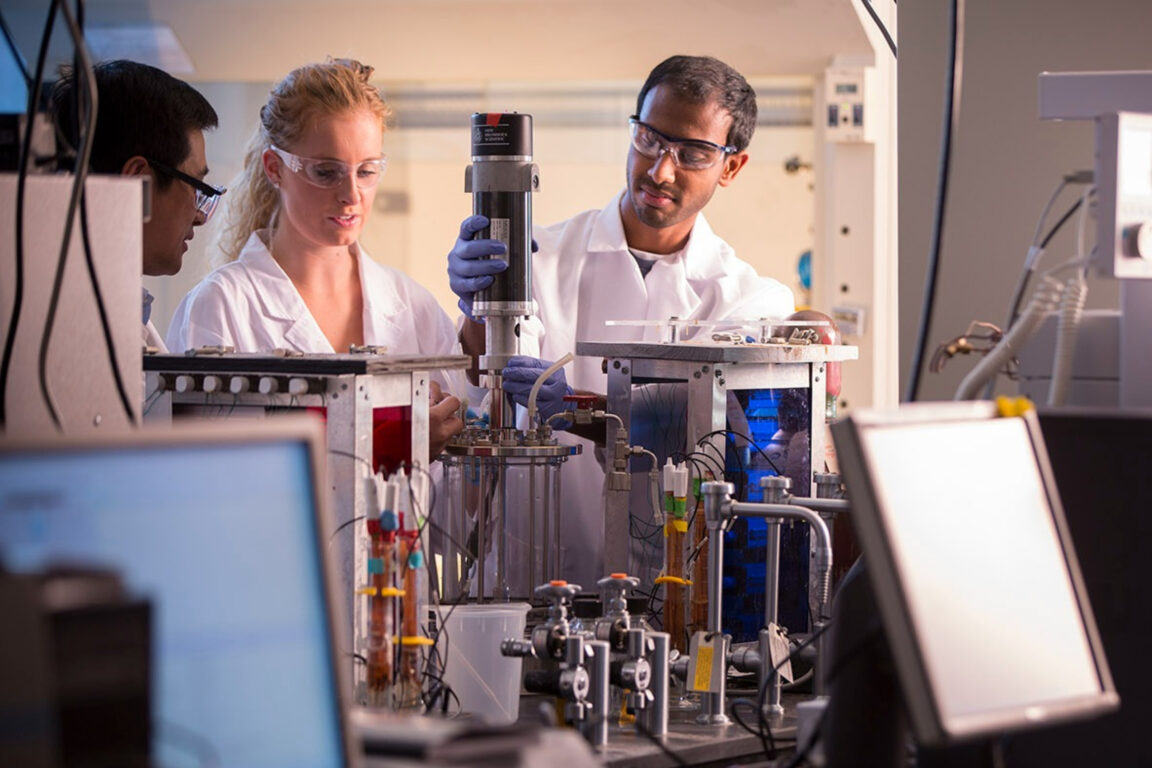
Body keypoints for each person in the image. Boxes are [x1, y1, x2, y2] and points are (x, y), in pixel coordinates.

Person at [447, 55, 795, 587]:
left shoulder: (748, 301)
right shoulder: (539, 257)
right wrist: (479, 307)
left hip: (666, 599)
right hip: (525, 579)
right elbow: (485, 381)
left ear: (731, 167)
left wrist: (583, 413)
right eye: (649, 139)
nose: (660, 169)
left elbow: (709, 449)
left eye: (693, 153)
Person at [167, 58, 463, 455]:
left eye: (367, 171)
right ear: (275, 168)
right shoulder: (221, 307)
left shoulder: (416, 309)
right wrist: (387, 445)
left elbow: (463, 499)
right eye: (326, 172)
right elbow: (211, 475)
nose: (351, 195)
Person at [50, 59, 223, 353]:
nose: (199, 216)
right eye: (196, 186)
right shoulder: (66, 328)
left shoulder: (120, 311)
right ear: (137, 181)